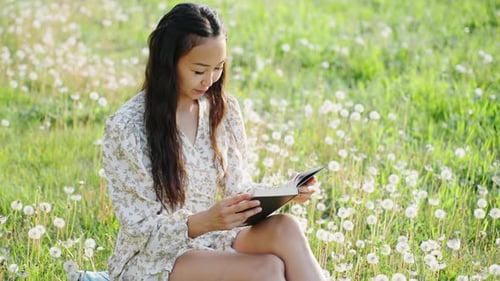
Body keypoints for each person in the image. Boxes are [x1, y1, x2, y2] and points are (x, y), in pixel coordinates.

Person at [102, 3, 326, 281]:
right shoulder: (127, 127)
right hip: (156, 257)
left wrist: (284, 192)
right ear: (168, 63)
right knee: (266, 269)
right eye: (199, 70)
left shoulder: (223, 109)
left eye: (218, 68)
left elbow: (237, 188)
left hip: (214, 237)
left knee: (286, 228)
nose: (209, 80)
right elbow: (140, 231)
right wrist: (205, 220)